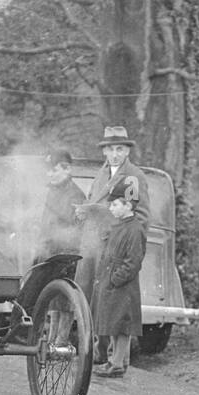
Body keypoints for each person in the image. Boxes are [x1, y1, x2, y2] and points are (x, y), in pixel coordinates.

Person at [74, 125, 149, 363]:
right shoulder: (101, 173)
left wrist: (125, 245)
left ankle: (114, 359)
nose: (115, 154)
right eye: (110, 149)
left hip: (113, 247)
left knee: (113, 302)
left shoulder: (133, 176)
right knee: (92, 298)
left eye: (120, 149)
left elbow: (141, 216)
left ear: (127, 151)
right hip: (91, 244)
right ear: (104, 151)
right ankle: (96, 352)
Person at [91, 179, 146, 379]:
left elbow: (133, 262)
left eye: (115, 204)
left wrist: (115, 279)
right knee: (113, 323)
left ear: (128, 205)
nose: (110, 208)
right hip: (112, 282)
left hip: (123, 286)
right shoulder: (120, 226)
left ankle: (117, 364)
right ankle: (114, 361)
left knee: (121, 324)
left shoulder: (135, 229)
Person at [37, 148, 85, 257]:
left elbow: (76, 236)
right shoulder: (52, 192)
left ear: (67, 169)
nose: (49, 174)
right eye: (47, 170)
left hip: (61, 258)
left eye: (54, 170)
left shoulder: (76, 196)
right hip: (46, 254)